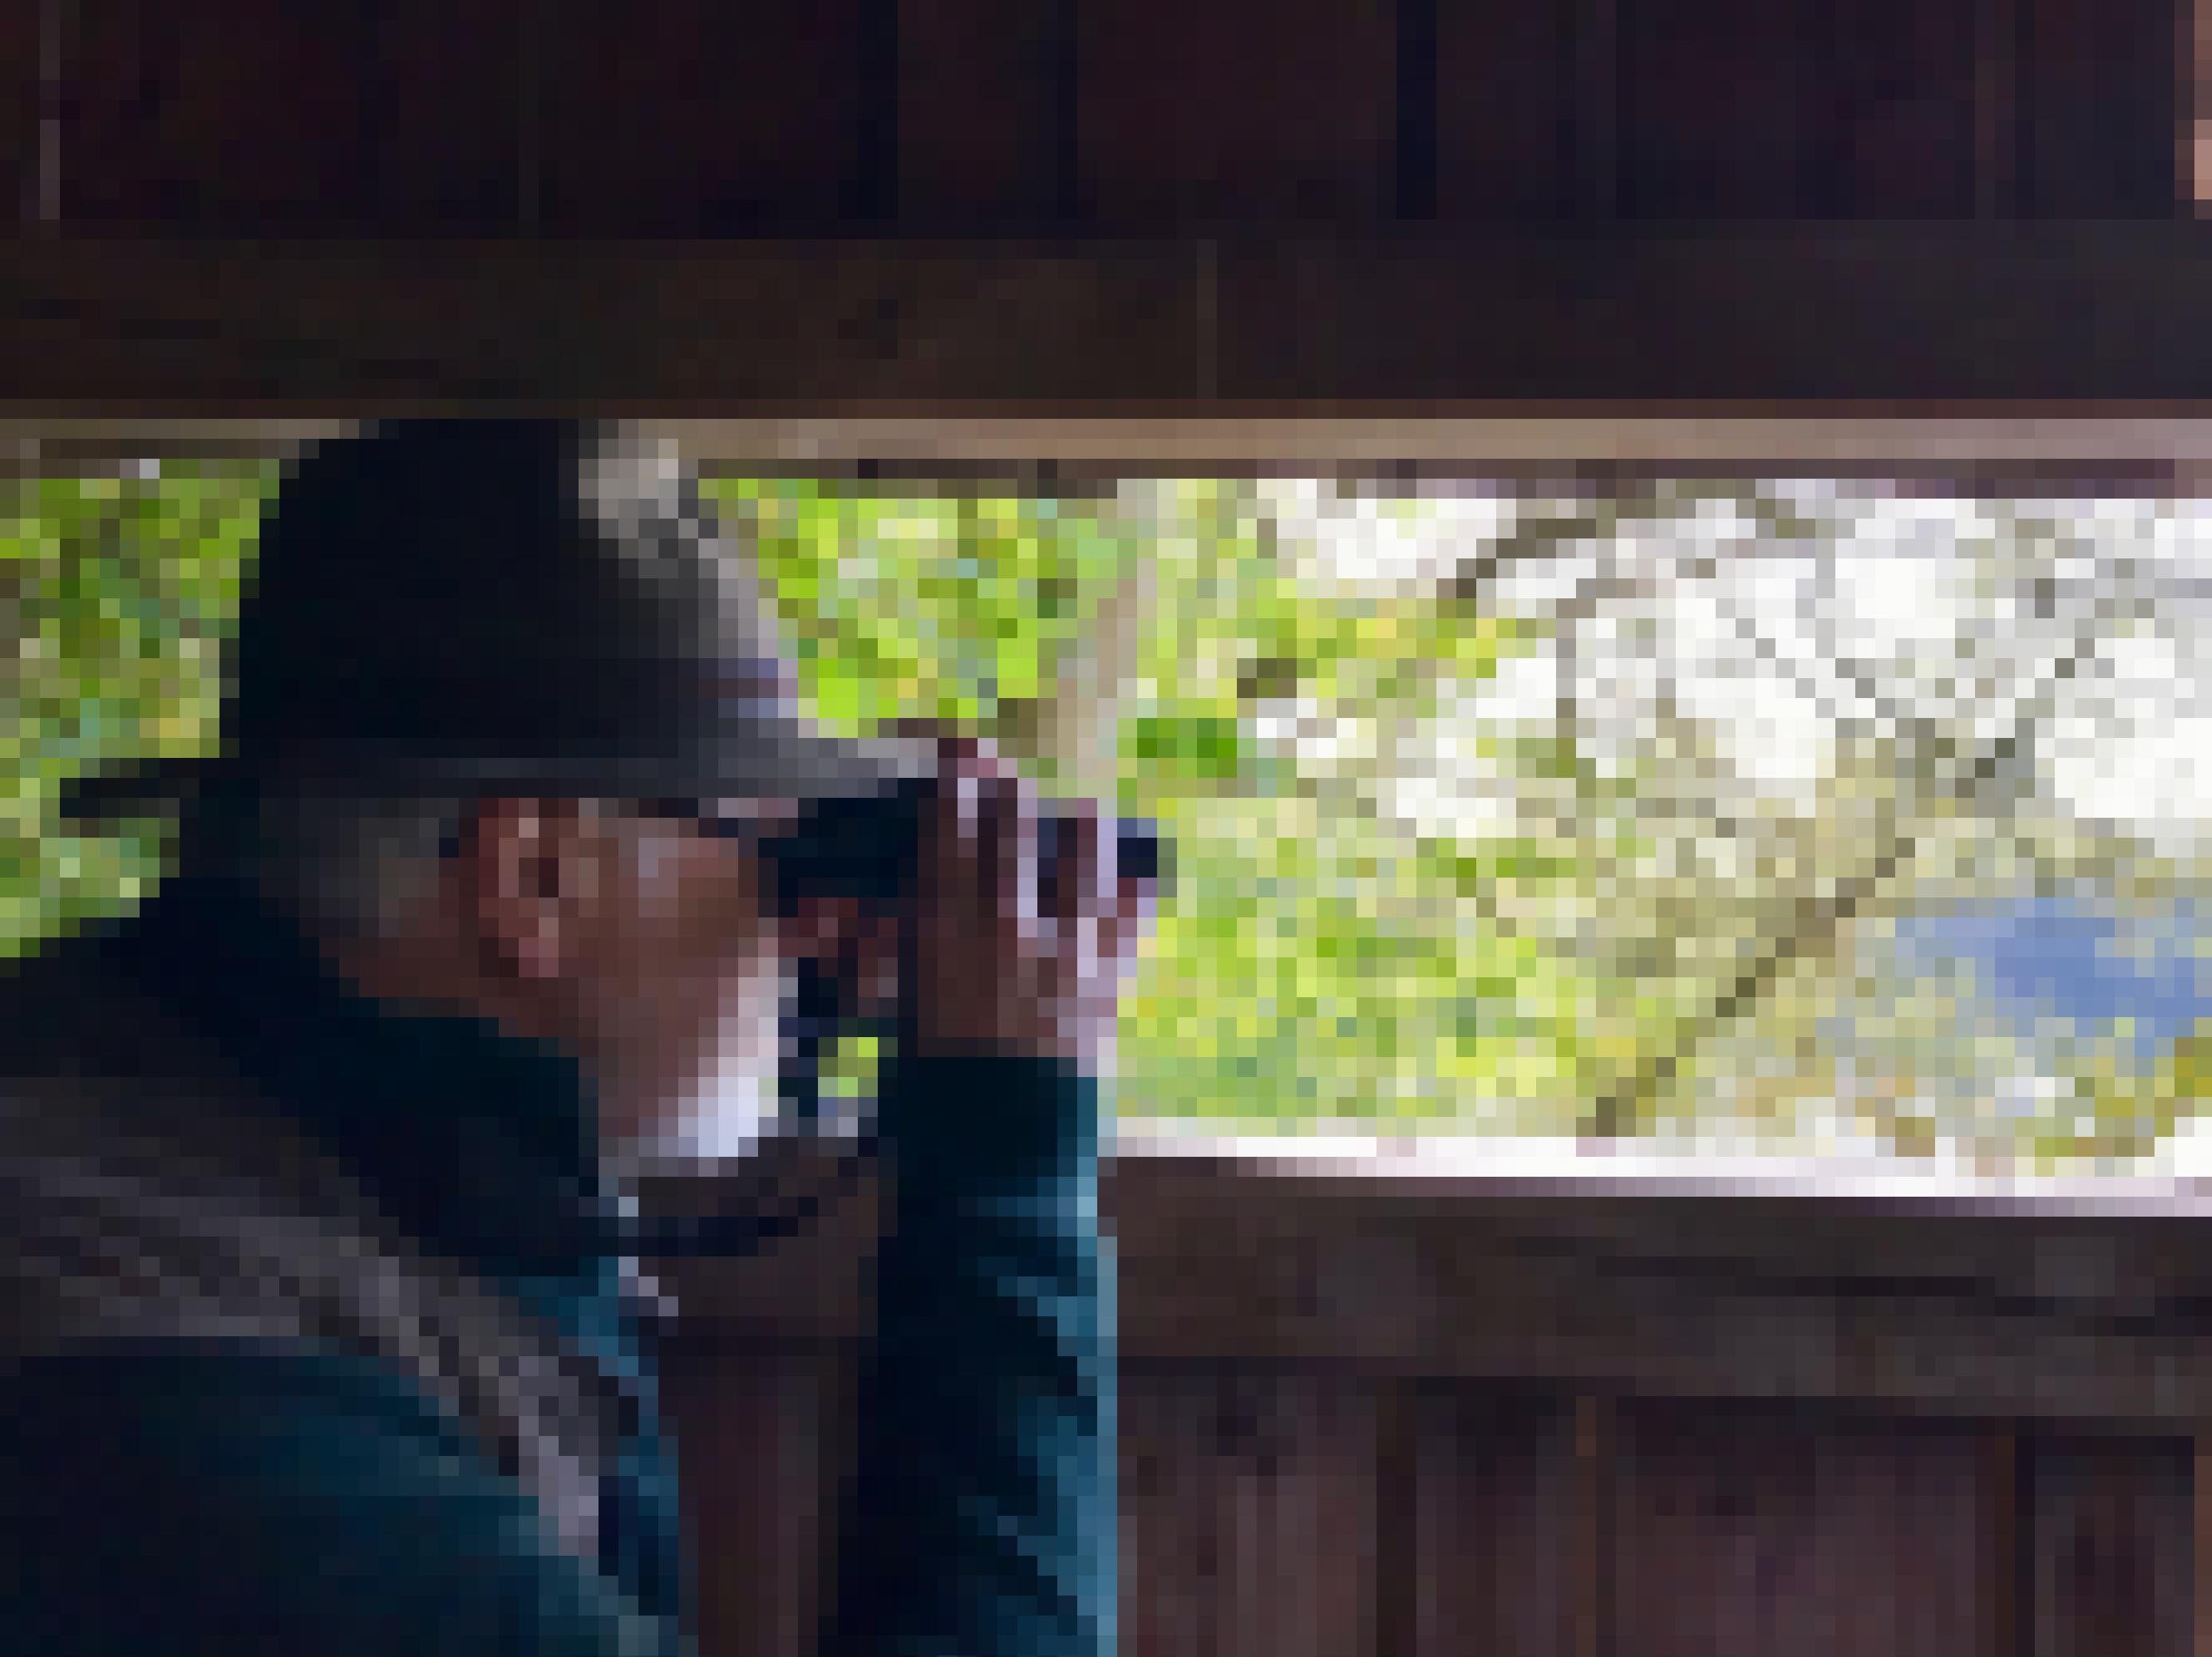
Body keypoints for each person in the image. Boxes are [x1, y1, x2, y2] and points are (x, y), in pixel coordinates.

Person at [0, 420, 1154, 1657]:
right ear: (531, 876)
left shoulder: (235, 1120)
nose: (796, 936)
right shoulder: (152, 1361)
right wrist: (1003, 1162)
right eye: (775, 860)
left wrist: (784, 1026)